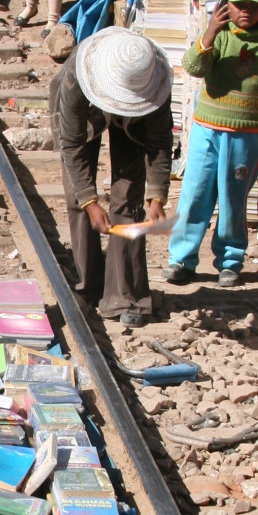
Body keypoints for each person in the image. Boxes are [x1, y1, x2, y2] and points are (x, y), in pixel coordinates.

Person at [165, 0, 258, 288]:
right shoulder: (219, 36)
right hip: (207, 130)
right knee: (195, 193)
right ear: (226, 5)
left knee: (234, 199)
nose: (245, 11)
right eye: (239, 4)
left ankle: (230, 260)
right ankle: (181, 259)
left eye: (253, 5)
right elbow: (194, 66)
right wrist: (210, 32)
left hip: (247, 135)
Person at [51, 27, 174, 329]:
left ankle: (125, 295)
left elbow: (159, 141)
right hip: (85, 111)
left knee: (129, 198)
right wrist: (90, 201)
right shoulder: (75, 80)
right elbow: (72, 146)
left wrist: (157, 193)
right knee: (78, 199)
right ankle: (87, 283)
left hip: (134, 122)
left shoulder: (152, 79)